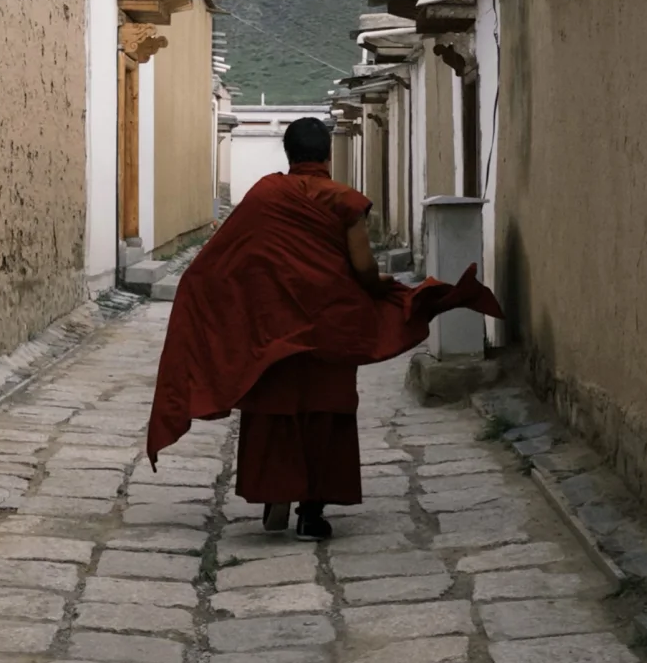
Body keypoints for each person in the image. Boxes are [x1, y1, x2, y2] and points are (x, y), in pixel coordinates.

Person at [146, 116, 502, 541]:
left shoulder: (265, 195)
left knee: (275, 409)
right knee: (324, 412)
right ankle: (311, 514)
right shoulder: (343, 200)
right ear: (328, 156)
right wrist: (381, 287)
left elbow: (227, 259)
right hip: (329, 326)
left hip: (275, 331)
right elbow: (364, 268)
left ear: (288, 154)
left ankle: (274, 492)